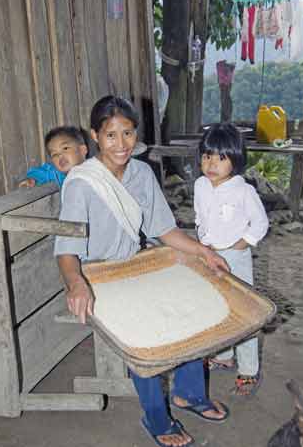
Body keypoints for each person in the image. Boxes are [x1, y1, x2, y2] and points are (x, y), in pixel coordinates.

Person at [54, 96, 230, 447]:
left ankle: (188, 393)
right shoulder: (82, 183)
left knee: (190, 303)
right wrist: (76, 284)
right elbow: (66, 250)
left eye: (129, 134)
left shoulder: (141, 173)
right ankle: (155, 416)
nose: (121, 145)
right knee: (143, 334)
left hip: (138, 264)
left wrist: (203, 251)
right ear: (94, 137)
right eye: (111, 136)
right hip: (97, 276)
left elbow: (163, 229)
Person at [194, 123, 269, 397]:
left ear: (235, 159)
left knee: (243, 311)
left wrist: (244, 242)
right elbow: (200, 216)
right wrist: (202, 242)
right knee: (217, 308)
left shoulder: (243, 191)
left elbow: (260, 222)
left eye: (220, 157)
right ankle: (223, 355)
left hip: (235, 258)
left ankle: (248, 370)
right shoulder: (200, 186)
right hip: (210, 255)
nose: (211, 163)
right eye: (207, 156)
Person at [19, 126, 90, 188]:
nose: (59, 155)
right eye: (54, 154)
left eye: (65, 148)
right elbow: (40, 172)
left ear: (82, 150)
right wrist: (32, 179)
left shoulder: (94, 169)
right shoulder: (57, 174)